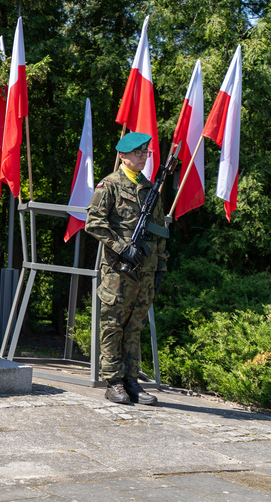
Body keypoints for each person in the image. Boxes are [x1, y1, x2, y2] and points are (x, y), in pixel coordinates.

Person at [85, 132, 168, 405]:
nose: (142, 157)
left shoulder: (150, 188)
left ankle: (132, 381)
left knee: (135, 327)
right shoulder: (109, 185)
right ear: (122, 155)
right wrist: (122, 247)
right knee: (113, 325)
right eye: (137, 153)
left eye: (145, 153)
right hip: (118, 270)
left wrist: (160, 268)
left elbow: (159, 233)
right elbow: (94, 222)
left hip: (145, 269)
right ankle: (114, 381)